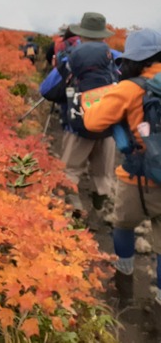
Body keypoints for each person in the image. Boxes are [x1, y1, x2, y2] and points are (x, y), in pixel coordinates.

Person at [84, 28, 161, 308]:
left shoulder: (129, 88)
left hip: (136, 179)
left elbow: (93, 122)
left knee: (123, 225)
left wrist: (95, 102)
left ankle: (125, 284)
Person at [39, 12, 120, 214]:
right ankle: (100, 198)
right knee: (103, 172)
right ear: (103, 35)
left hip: (77, 125)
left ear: (81, 34)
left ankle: (72, 206)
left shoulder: (72, 58)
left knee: (71, 169)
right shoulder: (115, 58)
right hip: (108, 126)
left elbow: (46, 90)